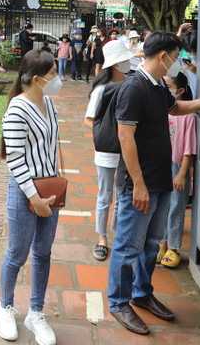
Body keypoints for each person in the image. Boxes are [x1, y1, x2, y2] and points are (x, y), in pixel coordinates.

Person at [107, 31, 200, 335]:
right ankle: (119, 301)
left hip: (161, 181)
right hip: (140, 183)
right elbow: (125, 137)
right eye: (177, 57)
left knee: (151, 244)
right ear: (163, 56)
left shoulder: (157, 86)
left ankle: (142, 292)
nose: (179, 63)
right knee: (127, 246)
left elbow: (174, 109)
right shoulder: (133, 88)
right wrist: (137, 183)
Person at [0, 49, 63, 345]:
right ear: (36, 79)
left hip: (50, 189)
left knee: (43, 252)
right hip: (25, 193)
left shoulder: (49, 103)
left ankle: (36, 312)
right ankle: (5, 307)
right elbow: (15, 159)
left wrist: (52, 188)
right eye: (53, 74)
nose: (58, 79)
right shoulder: (17, 109)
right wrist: (34, 197)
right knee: (17, 253)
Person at [84, 42, 135, 262]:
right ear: (115, 64)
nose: (128, 63)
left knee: (123, 194)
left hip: (127, 151)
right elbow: (88, 120)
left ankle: (117, 233)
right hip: (107, 152)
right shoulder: (101, 89)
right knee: (105, 195)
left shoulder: (130, 84)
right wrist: (110, 132)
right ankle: (102, 238)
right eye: (124, 60)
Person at [158, 72, 197, 270]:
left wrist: (183, 173)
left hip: (178, 166)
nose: (164, 88)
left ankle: (174, 247)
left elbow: (189, 148)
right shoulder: (161, 109)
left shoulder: (188, 115)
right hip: (162, 163)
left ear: (179, 91)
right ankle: (162, 244)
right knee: (163, 206)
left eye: (168, 85)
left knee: (176, 207)